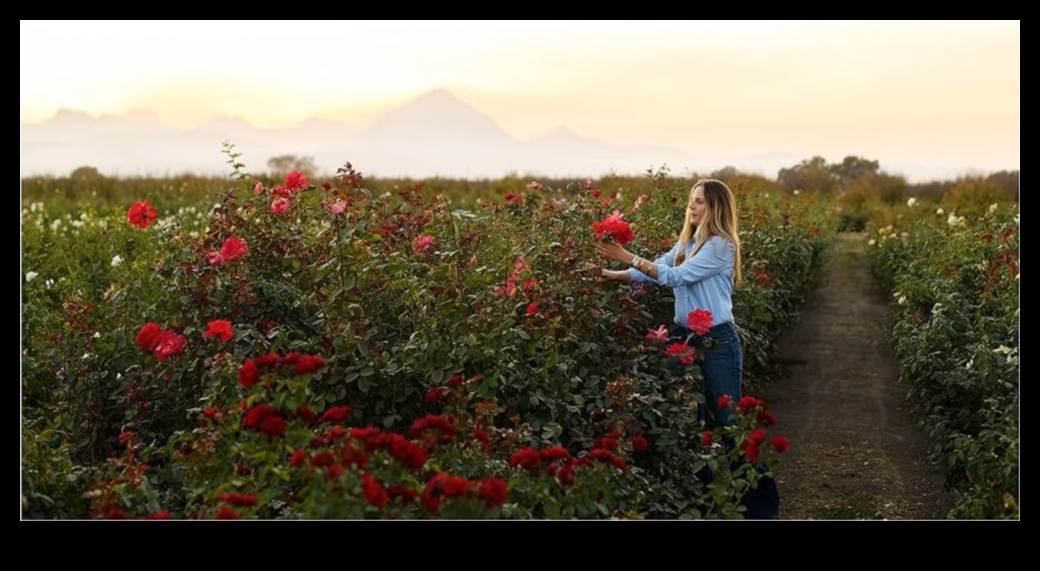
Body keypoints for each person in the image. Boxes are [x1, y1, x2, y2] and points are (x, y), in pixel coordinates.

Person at [594, 178, 780, 519]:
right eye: (691, 201)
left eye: (700, 202)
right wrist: (611, 272)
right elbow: (655, 272)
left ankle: (762, 510)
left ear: (716, 208)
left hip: (718, 340)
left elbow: (676, 277)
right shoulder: (687, 244)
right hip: (684, 339)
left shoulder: (721, 246)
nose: (691, 207)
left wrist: (626, 256)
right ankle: (704, 505)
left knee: (731, 426)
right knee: (688, 424)